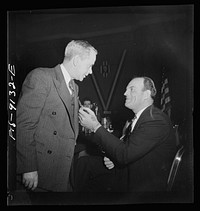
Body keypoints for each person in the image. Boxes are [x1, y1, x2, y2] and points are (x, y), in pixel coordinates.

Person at [16, 40, 98, 192]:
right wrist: (28, 168)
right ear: (76, 61)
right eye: (90, 65)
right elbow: (25, 125)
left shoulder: (74, 86)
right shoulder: (41, 77)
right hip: (41, 170)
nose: (91, 71)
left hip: (63, 168)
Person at [79, 76, 177, 193]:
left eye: (132, 89)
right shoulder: (142, 117)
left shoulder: (155, 120)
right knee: (84, 163)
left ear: (146, 95)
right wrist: (114, 159)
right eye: (126, 89)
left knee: (85, 171)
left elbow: (125, 154)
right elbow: (129, 148)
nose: (125, 93)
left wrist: (95, 126)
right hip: (130, 168)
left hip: (141, 183)